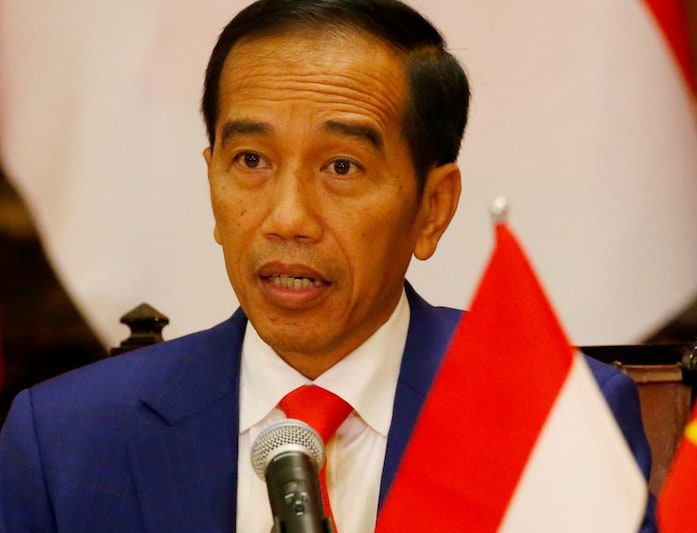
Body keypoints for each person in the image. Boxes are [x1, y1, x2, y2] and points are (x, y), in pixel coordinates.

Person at [0, 0, 656, 531]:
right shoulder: (65, 442)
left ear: (433, 207)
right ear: (212, 182)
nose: (287, 217)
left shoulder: (549, 420)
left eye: (341, 167)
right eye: (250, 161)